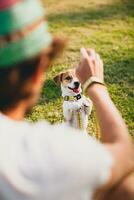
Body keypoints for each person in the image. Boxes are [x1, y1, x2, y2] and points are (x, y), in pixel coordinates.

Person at [0, 0, 133, 200]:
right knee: (125, 185)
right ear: (39, 71)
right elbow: (126, 155)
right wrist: (95, 85)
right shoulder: (51, 153)